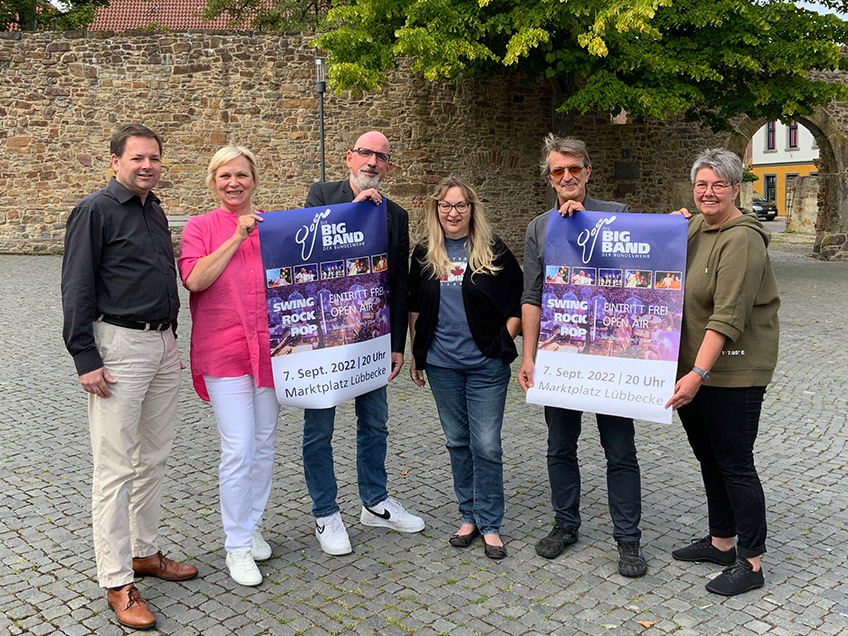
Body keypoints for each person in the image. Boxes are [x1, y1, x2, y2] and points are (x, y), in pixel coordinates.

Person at [61, 124, 198, 631]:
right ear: (115, 160)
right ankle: (117, 579)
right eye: (138, 158)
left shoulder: (153, 207)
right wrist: (85, 357)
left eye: (154, 159)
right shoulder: (95, 210)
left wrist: (171, 336)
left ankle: (143, 552)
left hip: (162, 344)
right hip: (117, 347)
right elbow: (75, 286)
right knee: (114, 468)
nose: (147, 166)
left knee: (154, 457)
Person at [517, 133, 647, 577]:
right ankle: (565, 524)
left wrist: (589, 227)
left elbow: (632, 282)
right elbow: (532, 296)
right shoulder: (539, 227)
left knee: (620, 450)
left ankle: (628, 540)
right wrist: (528, 356)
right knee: (559, 446)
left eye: (575, 169)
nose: (567, 177)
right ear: (550, 179)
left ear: (588, 172)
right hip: (561, 353)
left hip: (611, 357)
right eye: (559, 171)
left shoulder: (619, 216)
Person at [301, 130, 423, 555]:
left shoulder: (397, 215)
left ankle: (374, 501)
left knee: (375, 423)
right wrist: (351, 213)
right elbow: (308, 254)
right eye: (366, 153)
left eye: (382, 157)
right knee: (320, 428)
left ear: (388, 167)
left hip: (371, 335)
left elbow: (400, 283)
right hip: (325, 335)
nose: (373, 161)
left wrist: (397, 344)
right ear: (349, 158)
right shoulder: (322, 195)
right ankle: (325, 512)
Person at [665, 148, 779, 596]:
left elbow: (727, 318)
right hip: (697, 366)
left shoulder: (743, 239)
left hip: (732, 371)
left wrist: (696, 373)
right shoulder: (695, 226)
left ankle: (751, 563)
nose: (708, 193)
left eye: (718, 185)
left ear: (736, 189)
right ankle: (721, 542)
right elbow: (650, 239)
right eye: (701, 185)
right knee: (708, 456)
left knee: (735, 463)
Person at [177, 146, 279, 587]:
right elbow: (194, 279)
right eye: (224, 177)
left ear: (254, 180)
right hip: (225, 350)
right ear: (213, 183)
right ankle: (236, 545)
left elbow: (318, 251)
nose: (233, 183)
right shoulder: (200, 227)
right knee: (238, 449)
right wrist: (236, 237)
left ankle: (251, 526)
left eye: (241, 175)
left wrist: (359, 210)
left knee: (265, 445)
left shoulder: (274, 226)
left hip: (272, 350)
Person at [407, 176, 522, 560]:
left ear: (472, 209)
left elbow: (518, 299)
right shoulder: (424, 253)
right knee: (457, 441)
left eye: (460, 206)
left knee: (486, 444)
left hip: (485, 365)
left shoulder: (493, 251)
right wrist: (417, 352)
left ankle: (491, 524)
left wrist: (503, 341)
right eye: (445, 206)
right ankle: (468, 516)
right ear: (435, 210)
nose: (452, 213)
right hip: (442, 364)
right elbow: (416, 307)